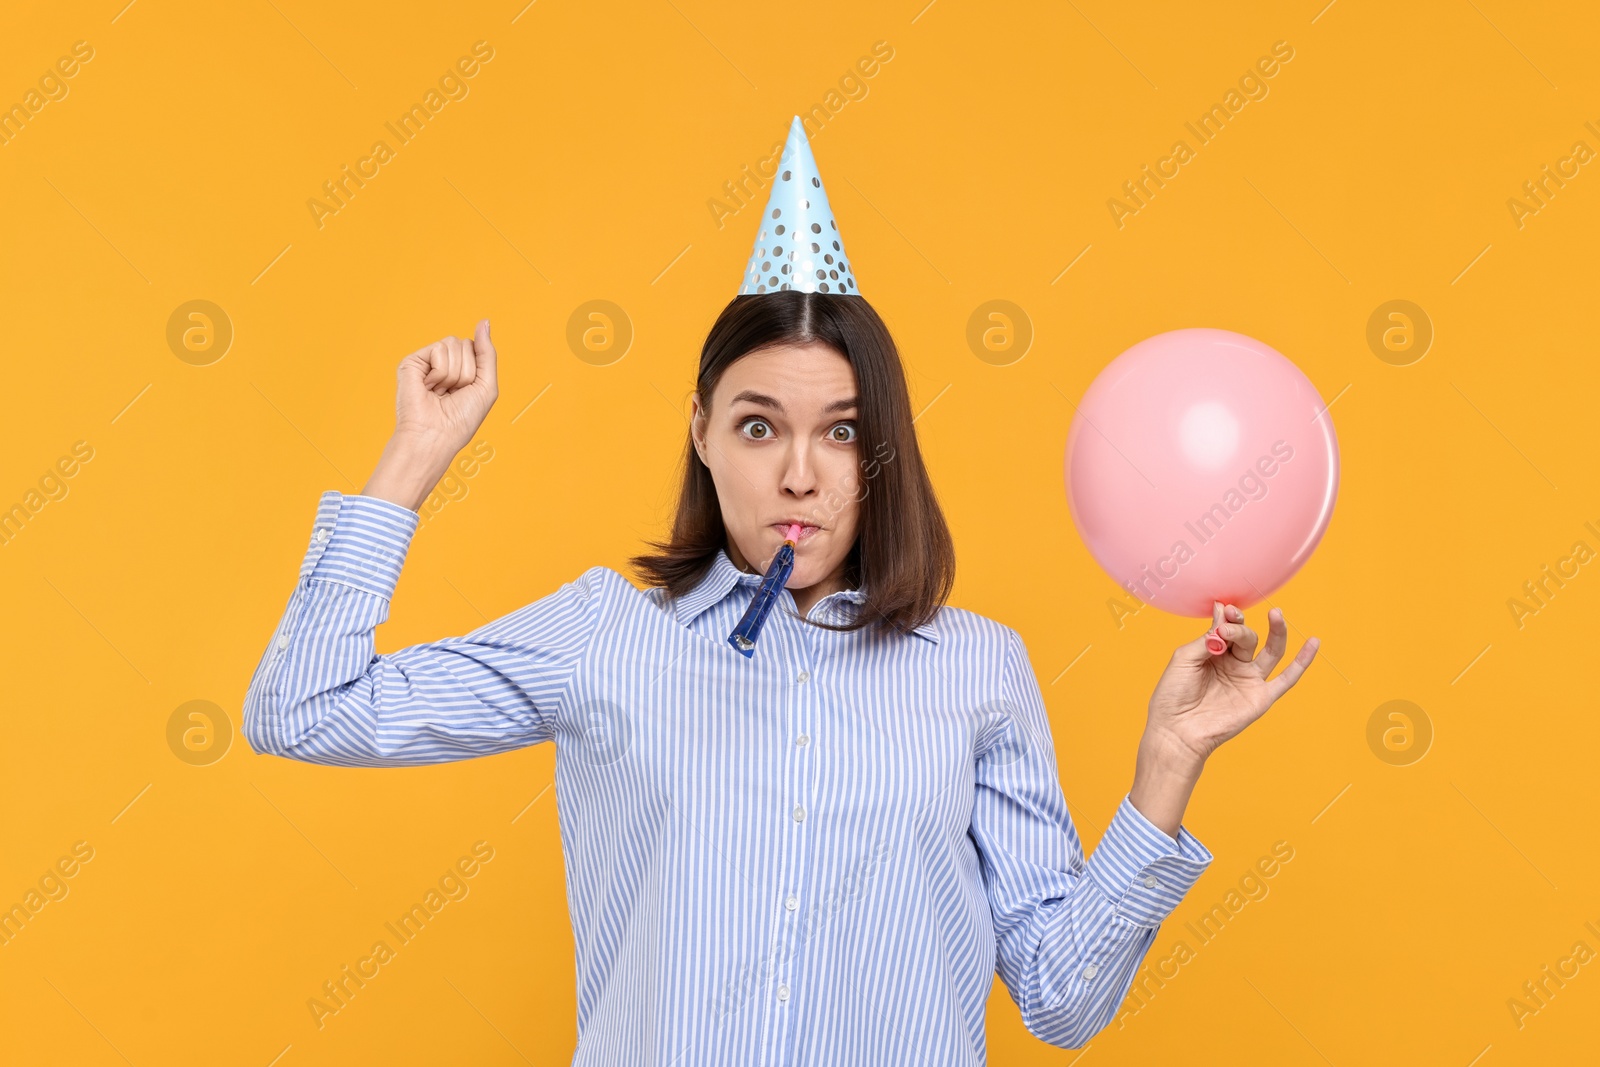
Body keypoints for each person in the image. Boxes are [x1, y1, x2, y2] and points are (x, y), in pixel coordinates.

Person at [242, 118, 1319, 1065]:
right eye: (759, 424)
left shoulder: (977, 667)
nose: (798, 473)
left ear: (879, 454)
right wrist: (413, 458)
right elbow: (303, 708)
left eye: (841, 432)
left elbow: (1061, 999)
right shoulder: (603, 632)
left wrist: (1170, 761)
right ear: (703, 433)